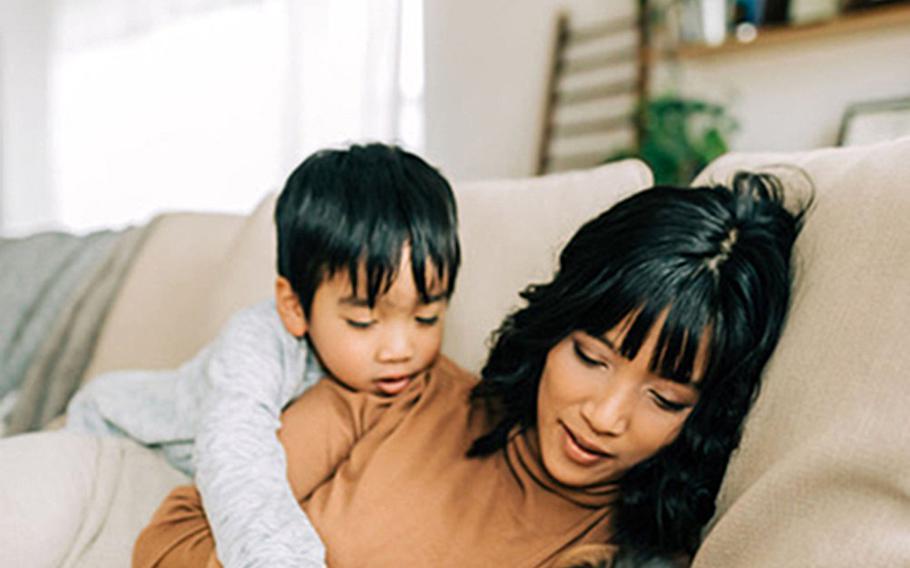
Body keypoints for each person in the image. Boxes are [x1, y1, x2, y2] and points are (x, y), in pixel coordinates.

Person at [131, 172, 809, 567]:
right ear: (549, 333)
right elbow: (170, 543)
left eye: (664, 398)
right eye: (590, 358)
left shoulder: (602, 554)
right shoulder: (393, 395)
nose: (604, 418)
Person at [65, 143, 461, 568]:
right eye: (363, 322)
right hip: (121, 423)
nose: (400, 350)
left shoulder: (414, 383)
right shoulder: (258, 343)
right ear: (294, 307)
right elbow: (237, 456)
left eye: (426, 316)